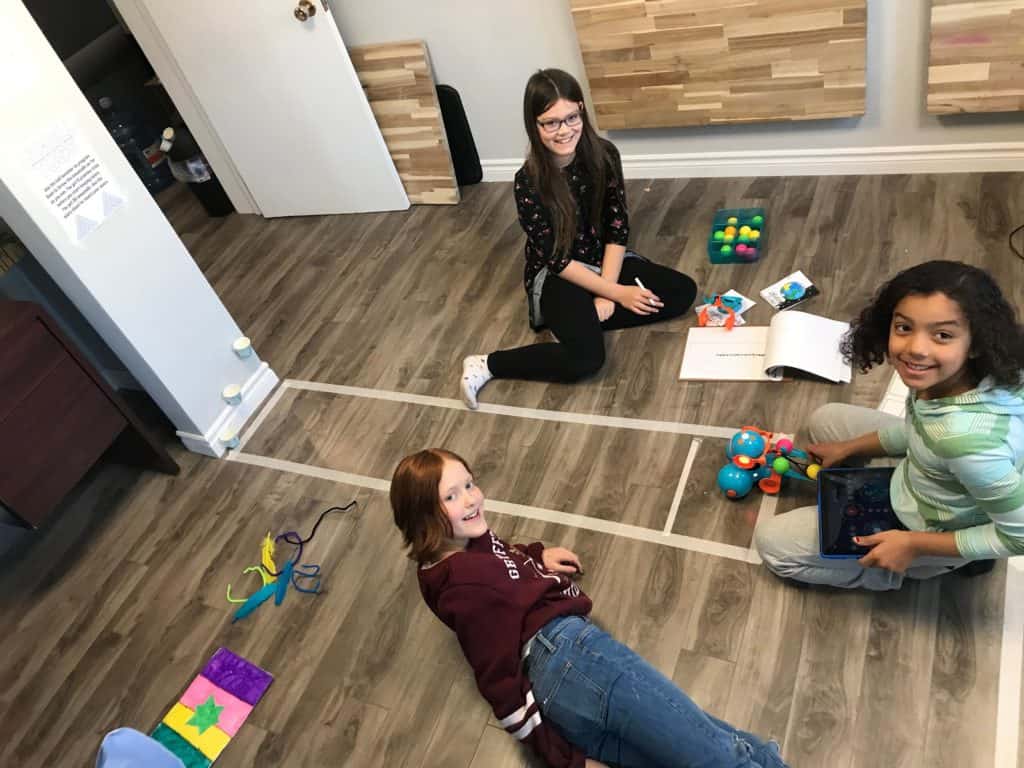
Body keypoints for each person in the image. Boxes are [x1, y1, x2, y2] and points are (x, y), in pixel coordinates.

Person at [391, 448, 789, 768]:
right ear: (425, 515)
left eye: (470, 484)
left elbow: (503, 562)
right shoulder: (467, 588)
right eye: (452, 495)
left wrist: (536, 556)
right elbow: (500, 687)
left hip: (563, 682)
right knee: (716, 754)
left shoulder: (456, 549)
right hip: (573, 657)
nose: (472, 498)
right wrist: (566, 761)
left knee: (711, 744)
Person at [756, 260, 1024, 589]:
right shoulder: (971, 376)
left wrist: (910, 545)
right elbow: (923, 431)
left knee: (773, 547)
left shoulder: (963, 442)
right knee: (824, 421)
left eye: (942, 335)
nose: (915, 349)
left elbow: (1020, 536)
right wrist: (848, 447)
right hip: (935, 473)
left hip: (932, 528)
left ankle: (912, 568)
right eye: (904, 328)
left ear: (977, 342)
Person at [460, 69, 698, 409]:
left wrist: (607, 289)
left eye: (571, 117)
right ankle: (487, 364)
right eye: (551, 122)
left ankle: (579, 321)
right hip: (560, 274)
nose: (564, 130)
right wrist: (615, 293)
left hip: (605, 261)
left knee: (682, 292)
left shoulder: (604, 154)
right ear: (535, 125)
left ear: (582, 110)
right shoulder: (527, 181)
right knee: (586, 360)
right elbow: (555, 259)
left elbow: (618, 227)